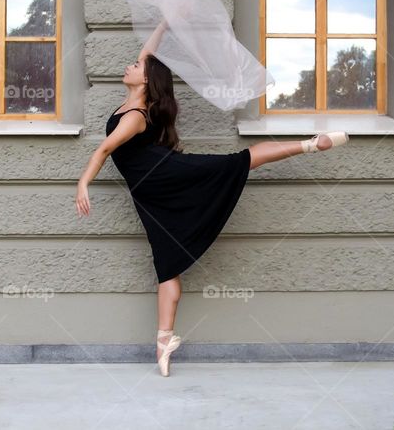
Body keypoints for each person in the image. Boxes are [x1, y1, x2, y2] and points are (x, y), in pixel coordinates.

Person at [74, 21, 349, 377]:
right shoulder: (134, 102)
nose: (131, 65)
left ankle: (311, 144)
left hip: (167, 178)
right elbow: (150, 53)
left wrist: (83, 183)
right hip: (152, 195)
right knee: (167, 263)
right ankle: (164, 341)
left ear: (145, 81)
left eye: (137, 66)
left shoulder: (134, 118)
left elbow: (104, 150)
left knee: (241, 162)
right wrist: (166, 21)